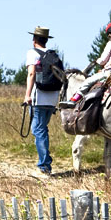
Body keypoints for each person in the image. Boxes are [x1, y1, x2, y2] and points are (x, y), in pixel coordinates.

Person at [62, 20, 111, 107]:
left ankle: (74, 100)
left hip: (110, 73)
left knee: (87, 82)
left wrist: (97, 61)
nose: (109, 36)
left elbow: (103, 60)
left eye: (109, 34)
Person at [24, 27, 62, 177]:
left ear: (34, 40)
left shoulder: (32, 53)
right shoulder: (53, 55)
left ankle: (45, 165)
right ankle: (45, 162)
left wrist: (27, 95)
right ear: (46, 40)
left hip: (38, 97)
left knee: (38, 130)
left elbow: (31, 73)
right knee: (42, 129)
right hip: (52, 97)